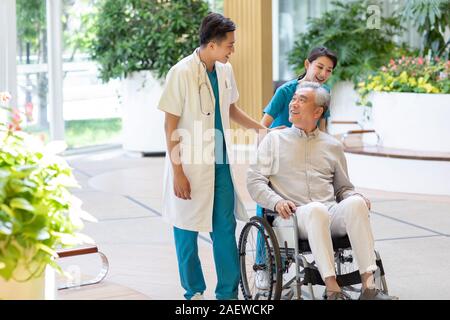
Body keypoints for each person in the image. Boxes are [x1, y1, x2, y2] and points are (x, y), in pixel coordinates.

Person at [247, 81, 397, 300]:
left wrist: (355, 196)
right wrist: (276, 201)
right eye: (294, 99)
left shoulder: (332, 145)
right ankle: (332, 287)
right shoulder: (274, 140)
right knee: (317, 209)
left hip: (328, 213)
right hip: (292, 217)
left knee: (355, 204)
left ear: (317, 111)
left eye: (302, 100)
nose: (293, 104)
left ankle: (369, 286)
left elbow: (344, 188)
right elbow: (254, 181)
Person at [158, 12, 268, 300]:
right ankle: (193, 290)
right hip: (190, 165)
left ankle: (227, 294)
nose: (233, 49)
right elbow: (169, 124)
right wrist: (178, 172)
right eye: (230, 44)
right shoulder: (180, 72)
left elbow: (230, 109)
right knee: (186, 231)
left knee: (224, 229)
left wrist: (261, 128)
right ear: (212, 45)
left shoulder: (225, 71)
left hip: (220, 163)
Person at [254, 47, 338, 270]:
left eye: (328, 70)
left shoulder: (324, 93)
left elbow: (323, 130)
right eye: (319, 66)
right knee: (267, 214)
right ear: (307, 64)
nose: (323, 73)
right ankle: (264, 267)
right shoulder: (286, 91)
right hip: (278, 156)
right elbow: (261, 128)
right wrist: (273, 134)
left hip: (304, 159)